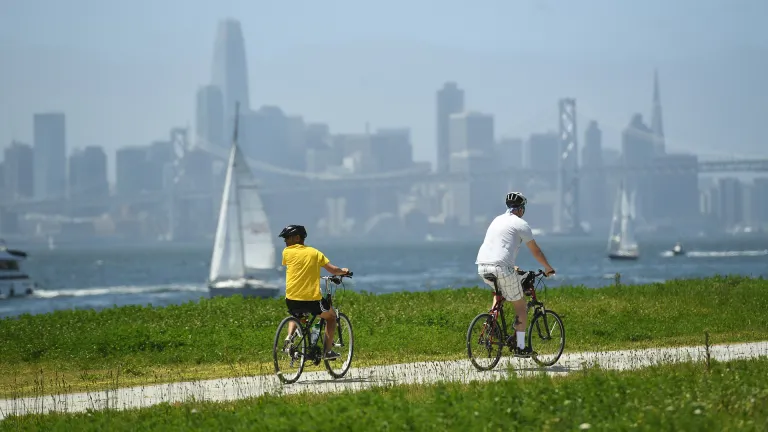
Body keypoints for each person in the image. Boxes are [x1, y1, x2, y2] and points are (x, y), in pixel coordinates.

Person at [475, 192, 556, 357]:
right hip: (501, 268)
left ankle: (491, 322)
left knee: (499, 292)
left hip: (483, 266)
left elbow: (498, 246)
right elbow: (536, 251)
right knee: (520, 308)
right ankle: (520, 347)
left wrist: (511, 266)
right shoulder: (521, 224)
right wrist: (548, 267)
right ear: (521, 209)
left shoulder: (496, 220)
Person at [279, 224, 351, 360]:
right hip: (311, 300)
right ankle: (327, 352)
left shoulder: (286, 253)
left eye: (287, 238)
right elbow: (334, 270)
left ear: (297, 238)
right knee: (331, 317)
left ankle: (290, 337)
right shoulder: (314, 253)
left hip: (291, 298)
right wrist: (344, 271)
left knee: (297, 314)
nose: (285, 241)